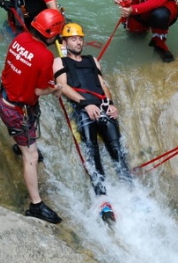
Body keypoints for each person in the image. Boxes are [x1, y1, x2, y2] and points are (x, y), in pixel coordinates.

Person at [52, 23, 131, 220]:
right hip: (82, 109)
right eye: (73, 39)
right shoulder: (59, 62)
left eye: (80, 38)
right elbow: (62, 86)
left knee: (116, 148)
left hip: (102, 107)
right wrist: (86, 104)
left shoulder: (92, 60)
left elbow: (102, 84)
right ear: (64, 42)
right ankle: (103, 199)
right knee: (91, 150)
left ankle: (131, 190)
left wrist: (110, 103)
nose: (78, 42)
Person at [0, 8, 65, 224]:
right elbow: (38, 91)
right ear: (51, 34)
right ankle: (36, 205)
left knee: (27, 134)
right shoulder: (45, 56)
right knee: (32, 156)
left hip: (6, 96)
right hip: (16, 108)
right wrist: (54, 89)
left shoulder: (21, 38)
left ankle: (20, 144)